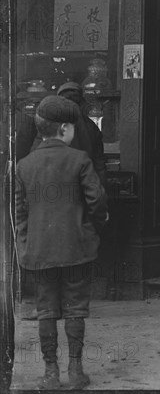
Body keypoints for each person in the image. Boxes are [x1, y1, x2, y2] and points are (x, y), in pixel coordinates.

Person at [15, 96, 108, 389]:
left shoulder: (24, 165)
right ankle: (76, 371)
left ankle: (50, 373)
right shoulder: (80, 160)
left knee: (46, 310)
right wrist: (91, 229)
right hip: (76, 249)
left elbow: (20, 212)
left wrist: (26, 244)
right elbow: (97, 202)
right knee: (75, 308)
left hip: (40, 251)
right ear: (66, 128)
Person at [25, 81, 107, 322]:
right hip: (80, 200)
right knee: (74, 257)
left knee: (50, 255)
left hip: (49, 200)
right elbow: (100, 167)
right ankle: (72, 308)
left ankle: (48, 308)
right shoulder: (92, 128)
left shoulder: (47, 130)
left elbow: (33, 160)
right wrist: (102, 199)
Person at [32, 81, 106, 185]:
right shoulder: (91, 127)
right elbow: (99, 164)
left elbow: (35, 155)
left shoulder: (50, 124)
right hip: (84, 184)